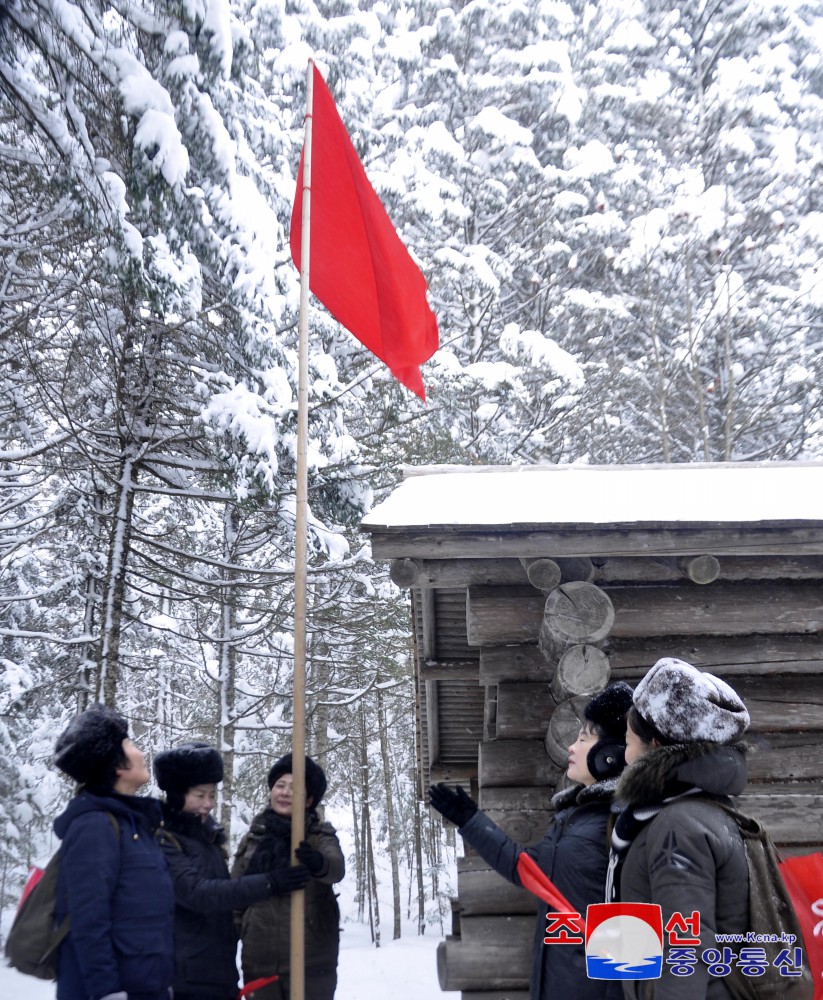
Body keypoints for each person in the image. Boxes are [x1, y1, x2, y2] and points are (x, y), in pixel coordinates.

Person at [430, 681, 634, 1000]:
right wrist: (472, 821)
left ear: (610, 755)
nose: (571, 747)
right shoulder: (574, 818)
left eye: (583, 739)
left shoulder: (623, 821)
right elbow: (529, 871)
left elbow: (632, 936)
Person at [610, 657, 751, 999]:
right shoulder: (699, 808)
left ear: (654, 746)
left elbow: (685, 952)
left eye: (629, 741)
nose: (625, 755)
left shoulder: (678, 825)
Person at [153, 741, 311, 1000]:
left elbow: (227, 895)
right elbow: (198, 893)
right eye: (199, 795)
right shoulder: (164, 841)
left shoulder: (208, 839)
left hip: (218, 972)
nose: (209, 804)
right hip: (184, 978)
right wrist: (270, 882)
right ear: (177, 794)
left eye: (212, 795)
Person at [53, 704, 174, 1000]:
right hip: (112, 990)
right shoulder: (95, 826)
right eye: (130, 744)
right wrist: (106, 991)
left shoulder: (133, 823)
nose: (141, 752)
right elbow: (88, 919)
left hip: (143, 986)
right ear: (119, 766)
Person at [231, 752, 345, 1000]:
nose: (284, 792)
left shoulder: (318, 835)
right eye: (279, 785)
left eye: (295, 788)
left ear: (309, 800)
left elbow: (335, 870)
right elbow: (235, 896)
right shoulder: (254, 839)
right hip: (260, 961)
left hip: (312, 964)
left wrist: (318, 863)